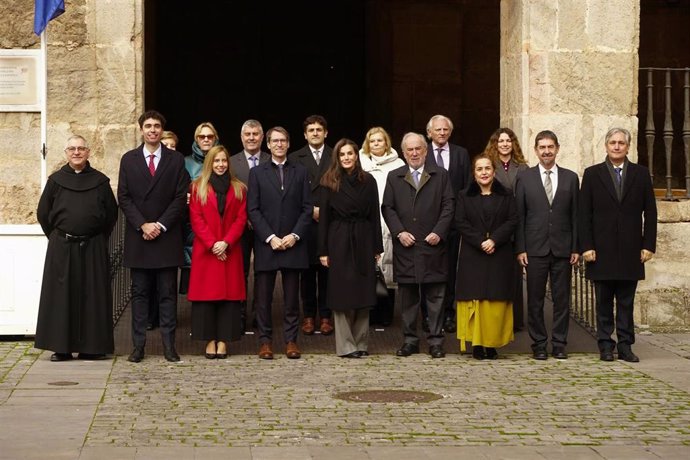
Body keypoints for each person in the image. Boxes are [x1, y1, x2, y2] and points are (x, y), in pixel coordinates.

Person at [35, 135, 118, 362]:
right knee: (61, 298)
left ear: (88, 152)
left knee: (93, 296)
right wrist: (57, 237)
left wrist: (96, 237)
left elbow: (111, 214)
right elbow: (44, 213)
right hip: (62, 246)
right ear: (66, 153)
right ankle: (61, 347)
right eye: (72, 149)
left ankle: (92, 347)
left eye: (81, 148)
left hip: (92, 245)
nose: (77, 152)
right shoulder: (55, 181)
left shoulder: (100, 181)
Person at [579, 127, 657, 363]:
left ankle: (625, 345)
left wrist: (648, 245)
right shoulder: (592, 174)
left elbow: (650, 213)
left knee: (626, 301)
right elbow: (584, 214)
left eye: (621, 143)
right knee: (603, 302)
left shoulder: (641, 174)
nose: (616, 146)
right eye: (612, 142)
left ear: (627, 146)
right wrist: (587, 246)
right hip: (600, 251)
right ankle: (605, 344)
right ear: (606, 146)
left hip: (631, 250)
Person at [118, 110, 190, 363]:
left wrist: (159, 224)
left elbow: (181, 197)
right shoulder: (129, 159)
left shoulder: (176, 159)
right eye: (148, 126)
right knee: (139, 294)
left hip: (166, 237)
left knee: (167, 295)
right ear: (141, 130)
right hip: (140, 238)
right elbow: (124, 197)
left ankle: (169, 346)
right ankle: (138, 347)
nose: (152, 130)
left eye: (157, 126)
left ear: (162, 130)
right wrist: (143, 225)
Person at [381, 132, 454, 359]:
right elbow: (387, 208)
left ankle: (435, 341)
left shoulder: (440, 175)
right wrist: (399, 232)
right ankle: (410, 340)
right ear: (403, 153)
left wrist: (439, 232)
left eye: (418, 149)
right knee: (408, 298)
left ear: (425, 151)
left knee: (435, 297)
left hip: (433, 246)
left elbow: (448, 206)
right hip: (407, 247)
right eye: (410, 150)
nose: (414, 153)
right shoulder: (395, 176)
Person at [247, 126, 312, 360]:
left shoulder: (301, 171)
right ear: (268, 144)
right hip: (267, 244)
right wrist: (270, 237)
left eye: (283, 140)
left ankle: (291, 340)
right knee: (263, 299)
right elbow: (252, 209)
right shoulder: (257, 173)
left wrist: (294, 236)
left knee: (292, 298)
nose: (279, 144)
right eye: (275, 141)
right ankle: (265, 341)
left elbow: (307, 208)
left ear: (288, 143)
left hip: (293, 243)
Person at [515, 130, 579, 360]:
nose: (546, 151)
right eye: (542, 147)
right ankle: (539, 344)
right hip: (534, 248)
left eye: (550, 147)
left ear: (557, 148)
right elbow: (519, 216)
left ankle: (560, 343)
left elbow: (575, 216)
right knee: (535, 299)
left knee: (562, 299)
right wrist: (520, 248)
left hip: (562, 248)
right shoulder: (525, 177)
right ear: (535, 150)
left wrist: (575, 247)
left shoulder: (571, 178)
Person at [319, 139, 383, 358]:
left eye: (350, 154)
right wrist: (323, 251)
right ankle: (346, 346)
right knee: (341, 293)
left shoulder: (369, 180)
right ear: (337, 158)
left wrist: (377, 246)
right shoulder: (329, 181)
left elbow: (375, 214)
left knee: (364, 292)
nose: (346, 158)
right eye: (342, 154)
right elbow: (324, 219)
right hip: (339, 239)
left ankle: (361, 343)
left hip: (364, 238)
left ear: (357, 155)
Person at [455, 154, 518, 360]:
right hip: (473, 254)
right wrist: (481, 241)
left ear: (494, 171)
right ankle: (477, 343)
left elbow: (512, 220)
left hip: (499, 254)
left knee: (495, 302)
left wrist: (494, 240)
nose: (484, 172)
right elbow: (461, 222)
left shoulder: (507, 195)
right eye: (479, 169)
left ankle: (493, 344)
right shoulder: (464, 195)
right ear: (474, 173)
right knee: (476, 300)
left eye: (487, 168)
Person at [188, 145, 247, 359]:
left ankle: (223, 340)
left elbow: (241, 219)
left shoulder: (239, 188)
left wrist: (226, 243)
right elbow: (196, 219)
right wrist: (213, 244)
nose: (220, 165)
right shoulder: (197, 188)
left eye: (224, 161)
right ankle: (209, 340)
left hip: (229, 251)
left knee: (228, 299)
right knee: (206, 299)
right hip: (206, 251)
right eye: (216, 161)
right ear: (209, 163)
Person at [424, 114, 471, 333]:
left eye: (445, 130)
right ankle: (429, 315)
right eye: (438, 130)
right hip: (428, 224)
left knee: (451, 269)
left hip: (454, 223)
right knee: (429, 270)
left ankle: (449, 313)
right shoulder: (421, 152)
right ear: (429, 133)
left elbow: (466, 187)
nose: (442, 133)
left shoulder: (461, 154)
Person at [290, 115, 334, 336]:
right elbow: (290, 192)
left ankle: (326, 316)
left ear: (326, 132)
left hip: (330, 222)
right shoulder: (296, 157)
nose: (315, 133)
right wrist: (310, 210)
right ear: (305, 134)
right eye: (311, 130)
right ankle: (308, 315)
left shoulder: (337, 154)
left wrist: (324, 211)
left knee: (327, 272)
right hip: (305, 223)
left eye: (319, 129)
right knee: (306, 274)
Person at [359, 126, 405, 327]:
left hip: (390, 218)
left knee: (389, 267)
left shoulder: (398, 164)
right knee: (368, 267)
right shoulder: (359, 163)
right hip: (368, 218)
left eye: (380, 140)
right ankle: (368, 312)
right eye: (373, 141)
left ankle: (386, 315)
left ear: (387, 143)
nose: (376, 144)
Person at [484, 127, 529, 331]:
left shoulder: (523, 168)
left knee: (515, 276)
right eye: (500, 141)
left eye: (508, 141)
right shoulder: (487, 166)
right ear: (495, 144)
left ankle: (516, 320)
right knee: (496, 275)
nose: (504, 144)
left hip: (518, 224)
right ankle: (496, 320)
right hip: (496, 225)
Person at [230, 119, 271, 331]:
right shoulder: (230, 162)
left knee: (263, 272)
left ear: (263, 137)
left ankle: (260, 315)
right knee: (241, 270)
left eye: (256, 134)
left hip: (265, 227)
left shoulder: (271, 160)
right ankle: (239, 314)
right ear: (242, 137)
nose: (252, 138)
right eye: (248, 134)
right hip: (240, 226)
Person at [181, 122, 220, 294]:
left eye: (210, 136)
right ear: (196, 139)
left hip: (219, 222)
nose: (206, 139)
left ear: (215, 138)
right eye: (202, 136)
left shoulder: (222, 160)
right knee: (196, 276)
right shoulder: (185, 163)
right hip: (194, 223)